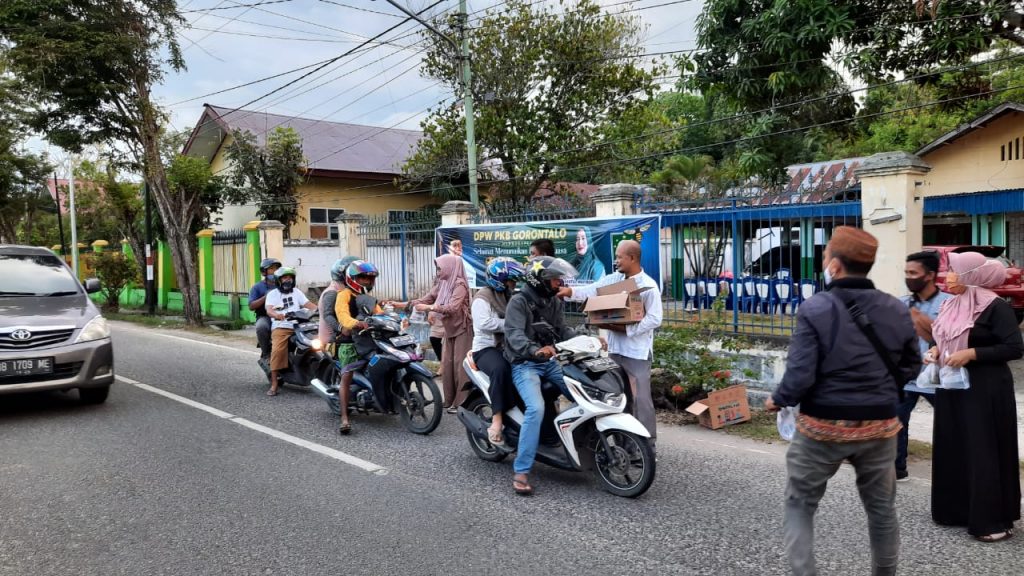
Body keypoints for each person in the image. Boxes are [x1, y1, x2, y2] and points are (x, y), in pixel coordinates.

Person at [764, 226, 920, 576]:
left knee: (800, 504)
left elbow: (801, 374)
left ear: (834, 265)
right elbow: (911, 364)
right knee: (881, 509)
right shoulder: (896, 308)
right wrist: (880, 392)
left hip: (823, 426)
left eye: (824, 256)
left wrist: (779, 399)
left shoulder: (815, 307)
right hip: (881, 425)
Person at [927, 250, 1023, 542]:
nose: (948, 276)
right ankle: (955, 510)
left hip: (985, 388)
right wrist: (934, 350)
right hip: (953, 386)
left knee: (983, 449)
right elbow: (941, 336)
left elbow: (1014, 348)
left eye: (955, 271)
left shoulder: (995, 307)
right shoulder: (951, 304)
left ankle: (991, 520)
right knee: (953, 445)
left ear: (972, 276)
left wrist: (973, 353)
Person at [559, 240, 662, 443]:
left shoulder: (648, 286)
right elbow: (593, 290)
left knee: (640, 400)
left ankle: (648, 444)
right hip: (616, 351)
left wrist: (629, 329)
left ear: (632, 258)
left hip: (637, 352)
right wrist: (570, 293)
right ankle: (625, 443)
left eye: (619, 257)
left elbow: (655, 318)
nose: (616, 261)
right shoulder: (614, 279)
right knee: (619, 397)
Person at [504, 256, 579, 496]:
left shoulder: (553, 301)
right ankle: (522, 471)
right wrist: (534, 350)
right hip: (526, 364)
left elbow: (562, 329)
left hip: (552, 361)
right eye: (556, 279)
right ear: (540, 280)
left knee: (584, 395)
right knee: (535, 409)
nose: (560, 283)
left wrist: (585, 337)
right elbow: (514, 335)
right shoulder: (519, 301)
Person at [895, 251, 951, 482]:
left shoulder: (949, 303)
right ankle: (897, 469)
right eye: (906, 272)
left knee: (951, 425)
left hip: (939, 376)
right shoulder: (901, 303)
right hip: (907, 376)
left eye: (913, 273)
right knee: (896, 423)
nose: (908, 277)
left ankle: (953, 471)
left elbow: (952, 339)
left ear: (929, 275)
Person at [393, 254, 474, 413]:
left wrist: (430, 308)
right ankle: (449, 400)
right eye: (437, 269)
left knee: (460, 365)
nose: (438, 272)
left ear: (450, 267)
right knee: (448, 365)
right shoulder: (443, 284)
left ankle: (462, 403)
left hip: (463, 328)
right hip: (449, 328)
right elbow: (426, 299)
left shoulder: (460, 285)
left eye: (440, 268)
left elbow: (452, 308)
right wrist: (400, 304)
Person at [470, 257, 526, 446]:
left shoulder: (509, 296)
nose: (514, 283)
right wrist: (513, 325)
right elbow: (484, 323)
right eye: (511, 280)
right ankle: (497, 419)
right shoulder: (482, 297)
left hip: (508, 347)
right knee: (501, 369)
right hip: (485, 349)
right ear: (500, 280)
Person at [334, 260, 383, 434]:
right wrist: (357, 323)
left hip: (370, 341)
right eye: (363, 278)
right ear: (353, 278)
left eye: (370, 279)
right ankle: (345, 418)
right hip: (350, 343)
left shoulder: (369, 299)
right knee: (346, 377)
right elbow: (343, 316)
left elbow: (380, 314)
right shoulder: (344, 295)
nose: (367, 282)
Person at [265, 266, 318, 397]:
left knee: (317, 341)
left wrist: (320, 310)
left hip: (300, 325)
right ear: (278, 280)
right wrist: (276, 315)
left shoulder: (297, 292)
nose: (288, 280)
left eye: (290, 277)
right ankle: (274, 384)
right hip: (281, 326)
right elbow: (269, 310)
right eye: (284, 277)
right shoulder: (273, 294)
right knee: (277, 350)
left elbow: (309, 305)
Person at [318, 256, 359, 349]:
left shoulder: (344, 290)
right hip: (331, 341)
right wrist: (341, 328)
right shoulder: (332, 292)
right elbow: (328, 315)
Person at [249, 258, 281, 362]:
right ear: (264, 271)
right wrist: (265, 297)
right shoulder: (257, 287)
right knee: (261, 327)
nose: (275, 271)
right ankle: (266, 353)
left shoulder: (283, 284)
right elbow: (251, 306)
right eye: (271, 268)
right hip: (265, 316)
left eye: (277, 268)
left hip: (283, 315)